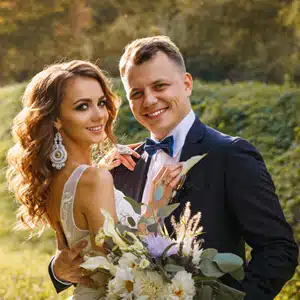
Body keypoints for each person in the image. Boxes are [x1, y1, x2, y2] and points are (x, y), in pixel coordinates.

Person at [49, 37, 298, 300]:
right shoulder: (120, 166)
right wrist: (57, 270)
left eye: (160, 86)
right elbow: (93, 254)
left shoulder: (231, 154)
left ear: (187, 84)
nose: (150, 100)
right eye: (137, 93)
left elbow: (278, 250)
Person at [6, 60, 183, 299]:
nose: (99, 114)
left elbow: (79, 241)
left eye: (101, 103)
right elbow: (122, 267)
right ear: (56, 118)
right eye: (82, 107)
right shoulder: (95, 179)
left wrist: (98, 169)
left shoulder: (53, 180)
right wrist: (154, 205)